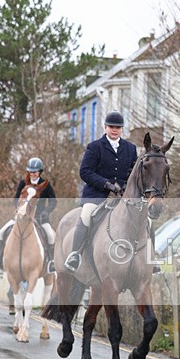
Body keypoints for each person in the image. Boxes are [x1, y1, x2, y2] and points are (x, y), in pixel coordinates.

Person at [64, 110, 138, 272]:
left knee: (143, 216)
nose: (114, 130)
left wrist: (125, 187)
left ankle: (149, 258)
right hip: (97, 195)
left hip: (123, 197)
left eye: (118, 127)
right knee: (86, 215)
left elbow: (132, 173)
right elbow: (85, 172)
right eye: (111, 126)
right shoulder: (95, 147)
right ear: (105, 127)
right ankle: (75, 255)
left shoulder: (131, 149)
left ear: (122, 129)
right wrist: (106, 184)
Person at [0, 157, 57, 273]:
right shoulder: (23, 183)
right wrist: (20, 208)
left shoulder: (46, 185)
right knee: (2, 231)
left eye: (34, 172)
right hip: (21, 216)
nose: (32, 174)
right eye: (30, 171)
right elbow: (16, 199)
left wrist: (47, 211)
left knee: (51, 235)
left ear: (39, 172)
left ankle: (51, 261)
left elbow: (53, 201)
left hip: (40, 217)